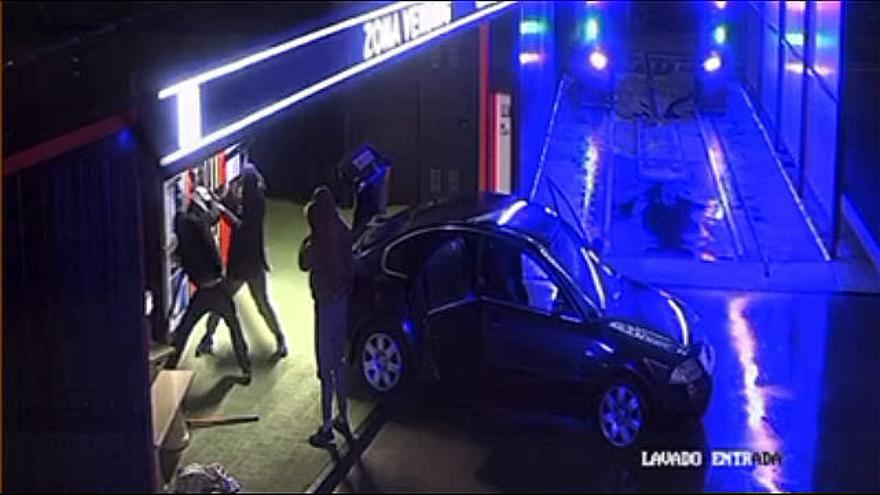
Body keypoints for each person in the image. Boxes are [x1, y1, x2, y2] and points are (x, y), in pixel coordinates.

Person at [197, 164, 288, 359]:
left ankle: (208, 338)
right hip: (249, 262)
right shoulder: (251, 200)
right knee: (258, 303)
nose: (237, 187)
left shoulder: (255, 204)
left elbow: (240, 226)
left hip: (245, 263)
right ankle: (208, 338)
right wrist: (216, 199)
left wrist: (221, 209)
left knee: (229, 300)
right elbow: (232, 209)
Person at [166, 185, 251, 383]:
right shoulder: (200, 224)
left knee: (184, 331)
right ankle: (246, 368)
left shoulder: (181, 223)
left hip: (201, 290)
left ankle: (170, 367)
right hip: (216, 288)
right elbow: (212, 217)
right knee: (235, 327)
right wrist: (216, 203)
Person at [299, 186, 354, 448]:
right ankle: (344, 417)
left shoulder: (317, 240)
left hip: (324, 305)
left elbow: (303, 262)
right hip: (341, 302)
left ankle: (327, 425)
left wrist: (307, 239)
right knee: (340, 363)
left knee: (325, 368)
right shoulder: (343, 231)